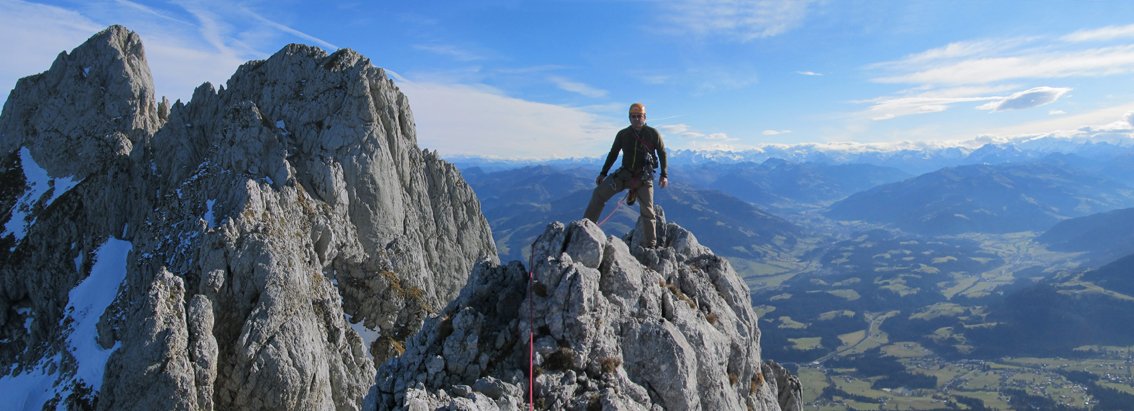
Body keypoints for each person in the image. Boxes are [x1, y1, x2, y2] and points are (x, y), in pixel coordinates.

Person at [583, 102, 668, 248]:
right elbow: (613, 153)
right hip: (624, 174)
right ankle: (585, 228)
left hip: (643, 178)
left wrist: (664, 174)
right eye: (633, 116)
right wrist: (603, 173)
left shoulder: (652, 134)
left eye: (639, 116)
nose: (636, 119)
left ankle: (651, 246)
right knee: (599, 194)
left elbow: (662, 153)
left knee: (648, 212)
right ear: (629, 117)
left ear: (645, 117)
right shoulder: (623, 134)